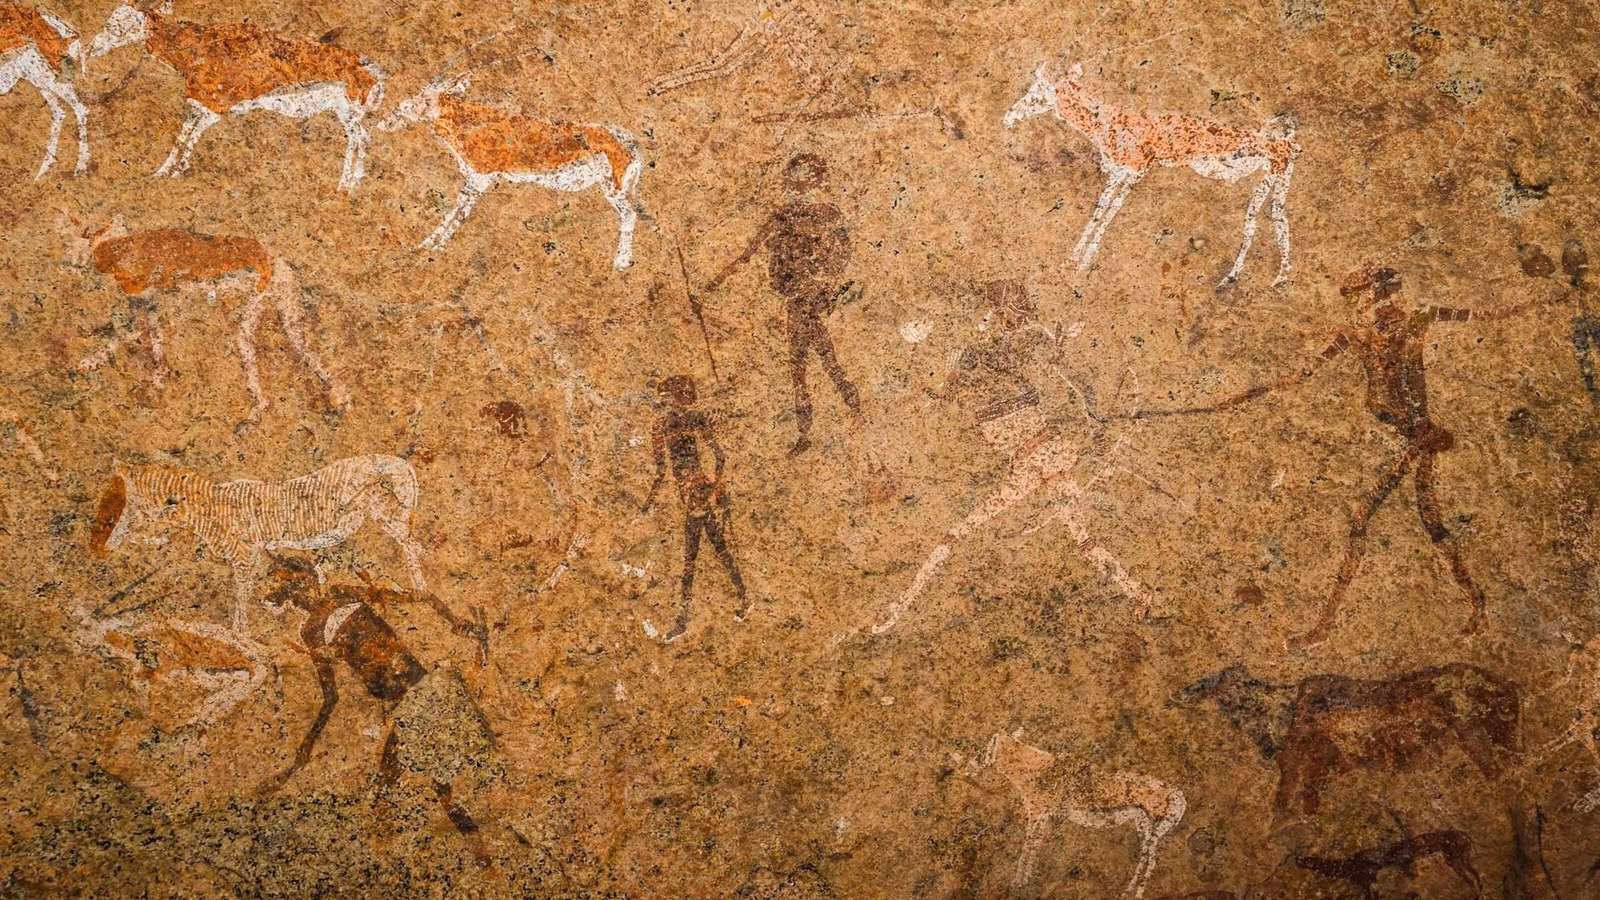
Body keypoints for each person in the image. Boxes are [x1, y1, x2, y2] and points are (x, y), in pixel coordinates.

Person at [1144, 265, 1564, 647]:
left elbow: (1490, 316)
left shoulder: (1418, 321)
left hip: (1417, 436)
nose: (1384, 308)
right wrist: (1240, 398)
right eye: (1375, 300)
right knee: (1431, 522)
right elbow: (1300, 376)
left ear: (1396, 296)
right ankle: (1474, 603)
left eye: (1388, 297)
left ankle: (1328, 625)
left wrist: (1546, 301)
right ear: (1365, 303)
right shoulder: (1359, 337)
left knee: (1370, 515)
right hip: (1410, 434)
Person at [255, 555, 498, 860]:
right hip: (404, 704)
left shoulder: (342, 593)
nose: (295, 597)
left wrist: (454, 621)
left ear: (306, 579)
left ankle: (470, 849)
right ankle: (463, 850)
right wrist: (303, 751)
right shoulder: (311, 632)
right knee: (409, 784)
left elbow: (420, 597)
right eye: (288, 594)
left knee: (411, 784)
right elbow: (331, 697)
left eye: (292, 587)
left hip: (422, 693)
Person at [707, 153, 861, 455]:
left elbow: (841, 254)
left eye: (807, 179)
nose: (801, 186)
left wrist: (819, 272)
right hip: (795, 299)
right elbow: (749, 253)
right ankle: (844, 407)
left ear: (817, 181)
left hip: (810, 297)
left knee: (806, 365)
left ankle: (831, 418)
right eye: (796, 179)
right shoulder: (781, 217)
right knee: (813, 362)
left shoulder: (826, 215)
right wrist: (719, 279)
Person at [644, 375, 748, 641]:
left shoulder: (677, 423)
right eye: (664, 400)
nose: (667, 404)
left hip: (696, 496)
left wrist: (718, 489)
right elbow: (660, 472)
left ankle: (683, 619)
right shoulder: (662, 425)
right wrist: (647, 502)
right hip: (693, 494)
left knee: (691, 558)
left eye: (669, 398)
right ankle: (743, 596)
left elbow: (719, 457)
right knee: (719, 547)